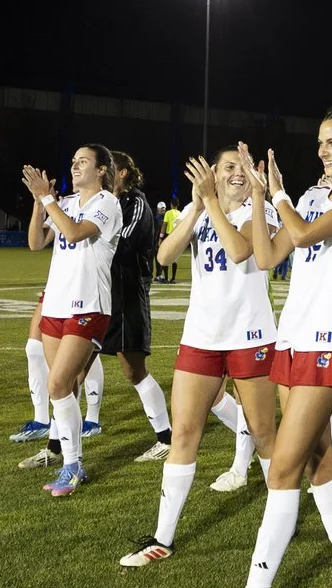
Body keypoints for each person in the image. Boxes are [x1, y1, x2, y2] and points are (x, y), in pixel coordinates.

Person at [189, 111, 332, 588]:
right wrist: (259, 196)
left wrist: (277, 196)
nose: (323, 151)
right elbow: (267, 254)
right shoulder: (309, 196)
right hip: (293, 340)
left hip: (331, 345)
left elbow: (300, 236)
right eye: (320, 143)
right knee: (318, 462)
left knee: (281, 469)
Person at [119, 150, 279, 566]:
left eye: (243, 168)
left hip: (251, 335)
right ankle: (162, 537)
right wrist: (196, 206)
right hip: (202, 336)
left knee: (264, 433)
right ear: (214, 174)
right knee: (185, 430)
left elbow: (241, 251)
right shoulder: (199, 208)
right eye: (228, 167)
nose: (237, 174)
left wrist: (209, 203)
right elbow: (165, 256)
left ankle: (282, 517)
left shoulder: (257, 210)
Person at [22, 146, 123, 496]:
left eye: (83, 161)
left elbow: (77, 232)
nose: (75, 166)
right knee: (63, 388)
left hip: (89, 307)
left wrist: (48, 200)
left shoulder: (107, 203)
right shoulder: (61, 202)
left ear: (100, 170)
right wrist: (40, 202)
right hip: (56, 307)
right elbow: (36, 243)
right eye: (73, 161)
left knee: (57, 385)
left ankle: (72, 464)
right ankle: (66, 456)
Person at [103, 152, 178, 461]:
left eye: (108, 168)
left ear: (122, 173)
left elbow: (121, 244)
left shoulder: (136, 205)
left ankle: (166, 438)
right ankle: (60, 443)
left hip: (128, 294)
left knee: (134, 370)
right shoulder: (100, 202)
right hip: (98, 294)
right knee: (73, 367)